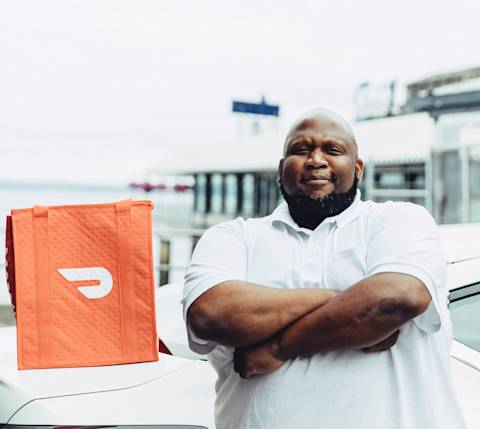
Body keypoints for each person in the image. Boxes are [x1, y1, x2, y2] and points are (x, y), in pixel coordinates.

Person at [182, 109, 466, 429]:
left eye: (333, 149)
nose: (315, 160)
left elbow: (397, 298)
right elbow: (210, 315)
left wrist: (279, 347)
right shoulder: (233, 237)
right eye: (301, 149)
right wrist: (344, 299)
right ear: (281, 168)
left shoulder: (401, 220)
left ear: (357, 168)